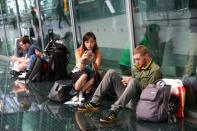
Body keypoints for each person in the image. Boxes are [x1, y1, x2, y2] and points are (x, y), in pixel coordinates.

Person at [78, 45, 162, 123]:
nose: (136, 62)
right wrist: (126, 83)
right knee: (111, 72)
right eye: (135, 59)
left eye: (138, 59)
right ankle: (94, 102)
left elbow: (151, 95)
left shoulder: (155, 70)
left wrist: (132, 81)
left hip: (139, 103)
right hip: (127, 101)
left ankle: (113, 111)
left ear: (146, 56)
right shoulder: (137, 67)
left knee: (133, 81)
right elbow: (132, 86)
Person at [71, 32, 102, 102]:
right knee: (84, 75)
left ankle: (80, 93)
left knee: (95, 76)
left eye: (92, 42)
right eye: (87, 42)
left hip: (91, 72)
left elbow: (96, 69)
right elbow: (81, 68)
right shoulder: (78, 51)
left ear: (95, 42)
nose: (89, 44)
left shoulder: (98, 52)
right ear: (84, 42)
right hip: (78, 72)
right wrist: (82, 59)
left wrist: (93, 60)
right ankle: (78, 92)